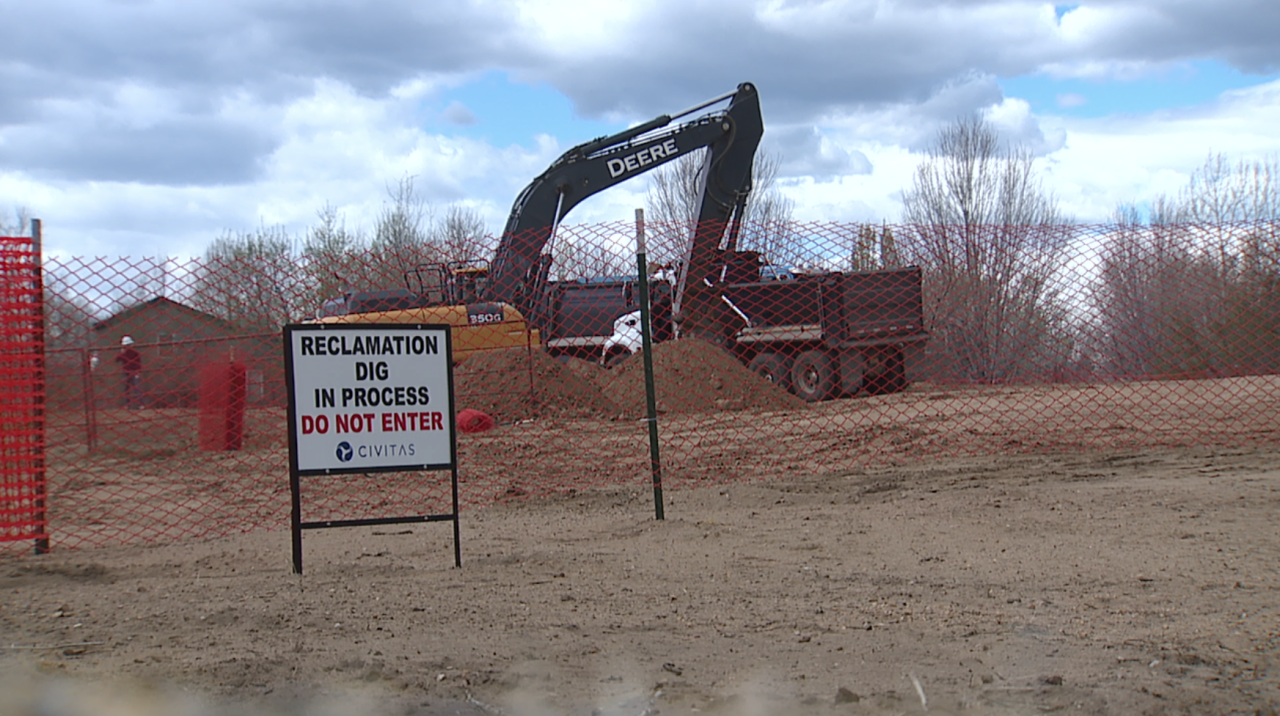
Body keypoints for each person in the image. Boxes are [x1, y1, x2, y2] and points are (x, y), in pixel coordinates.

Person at [115, 335, 143, 409]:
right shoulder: (124, 353)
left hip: (133, 371)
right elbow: (117, 360)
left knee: (136, 388)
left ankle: (140, 404)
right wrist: (121, 352)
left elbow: (138, 363)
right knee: (128, 389)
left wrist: (138, 372)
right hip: (127, 371)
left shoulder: (135, 353)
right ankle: (128, 404)